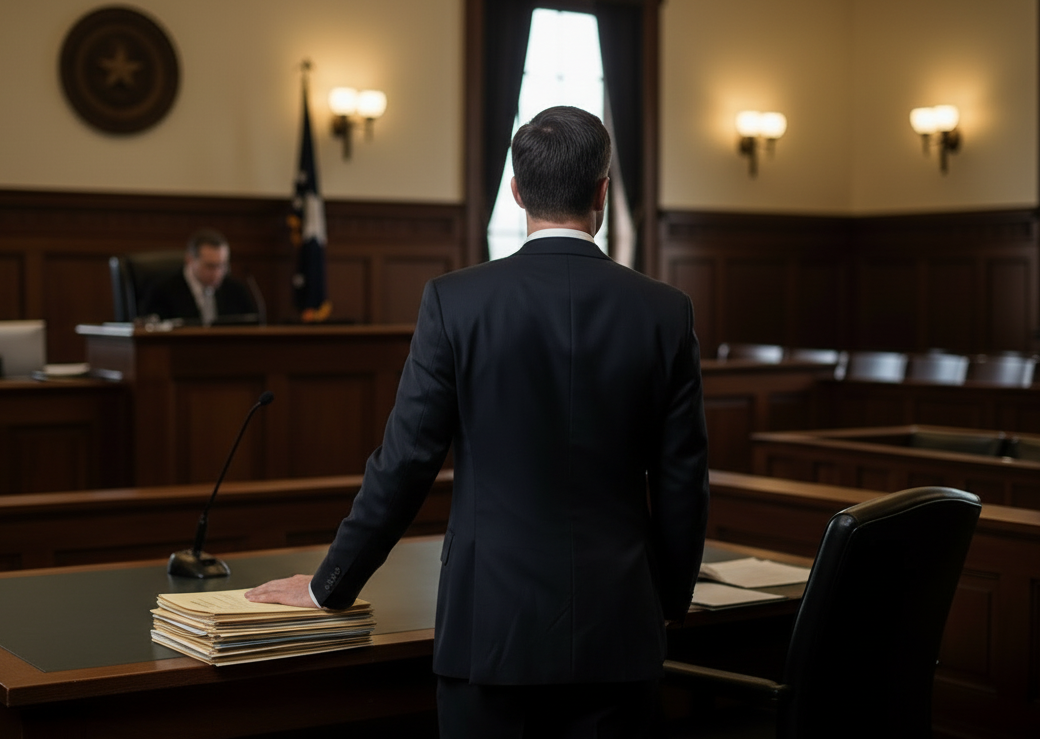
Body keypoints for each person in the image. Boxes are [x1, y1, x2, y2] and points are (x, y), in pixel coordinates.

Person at [245, 106, 708, 738]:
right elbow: (684, 482)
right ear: (602, 190)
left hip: (490, 631)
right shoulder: (665, 311)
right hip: (620, 632)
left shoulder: (454, 301)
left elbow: (405, 464)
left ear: (515, 191)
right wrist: (667, 601)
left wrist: (332, 584)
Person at [137, 228, 259, 325]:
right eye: (210, 266)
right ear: (190, 259)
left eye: (222, 266)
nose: (217, 273)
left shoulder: (236, 290)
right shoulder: (162, 290)